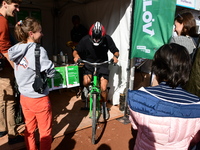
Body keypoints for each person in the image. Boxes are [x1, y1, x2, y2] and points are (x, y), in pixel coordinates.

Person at [128, 43, 200, 150]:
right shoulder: (197, 105)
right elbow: (195, 139)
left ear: (157, 67)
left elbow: (136, 126)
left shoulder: (137, 97)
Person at [8, 17, 55, 150]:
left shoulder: (16, 49)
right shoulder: (38, 50)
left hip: (24, 96)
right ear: (31, 33)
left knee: (29, 129)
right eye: (40, 31)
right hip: (38, 97)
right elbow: (50, 72)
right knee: (45, 132)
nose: (42, 34)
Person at [73, 21, 119, 119]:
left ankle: (104, 106)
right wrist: (76, 57)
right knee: (86, 82)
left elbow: (115, 51)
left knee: (103, 88)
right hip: (89, 64)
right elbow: (76, 51)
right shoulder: (85, 40)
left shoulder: (107, 39)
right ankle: (86, 90)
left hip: (102, 64)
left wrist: (115, 56)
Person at [0, 0, 24, 145]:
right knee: (10, 102)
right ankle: (13, 135)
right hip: (4, 67)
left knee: (2, 98)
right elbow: (4, 47)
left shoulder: (4, 21)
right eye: (15, 6)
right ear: (5, 3)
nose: (17, 9)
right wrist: (17, 69)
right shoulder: (2, 21)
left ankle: (2, 128)